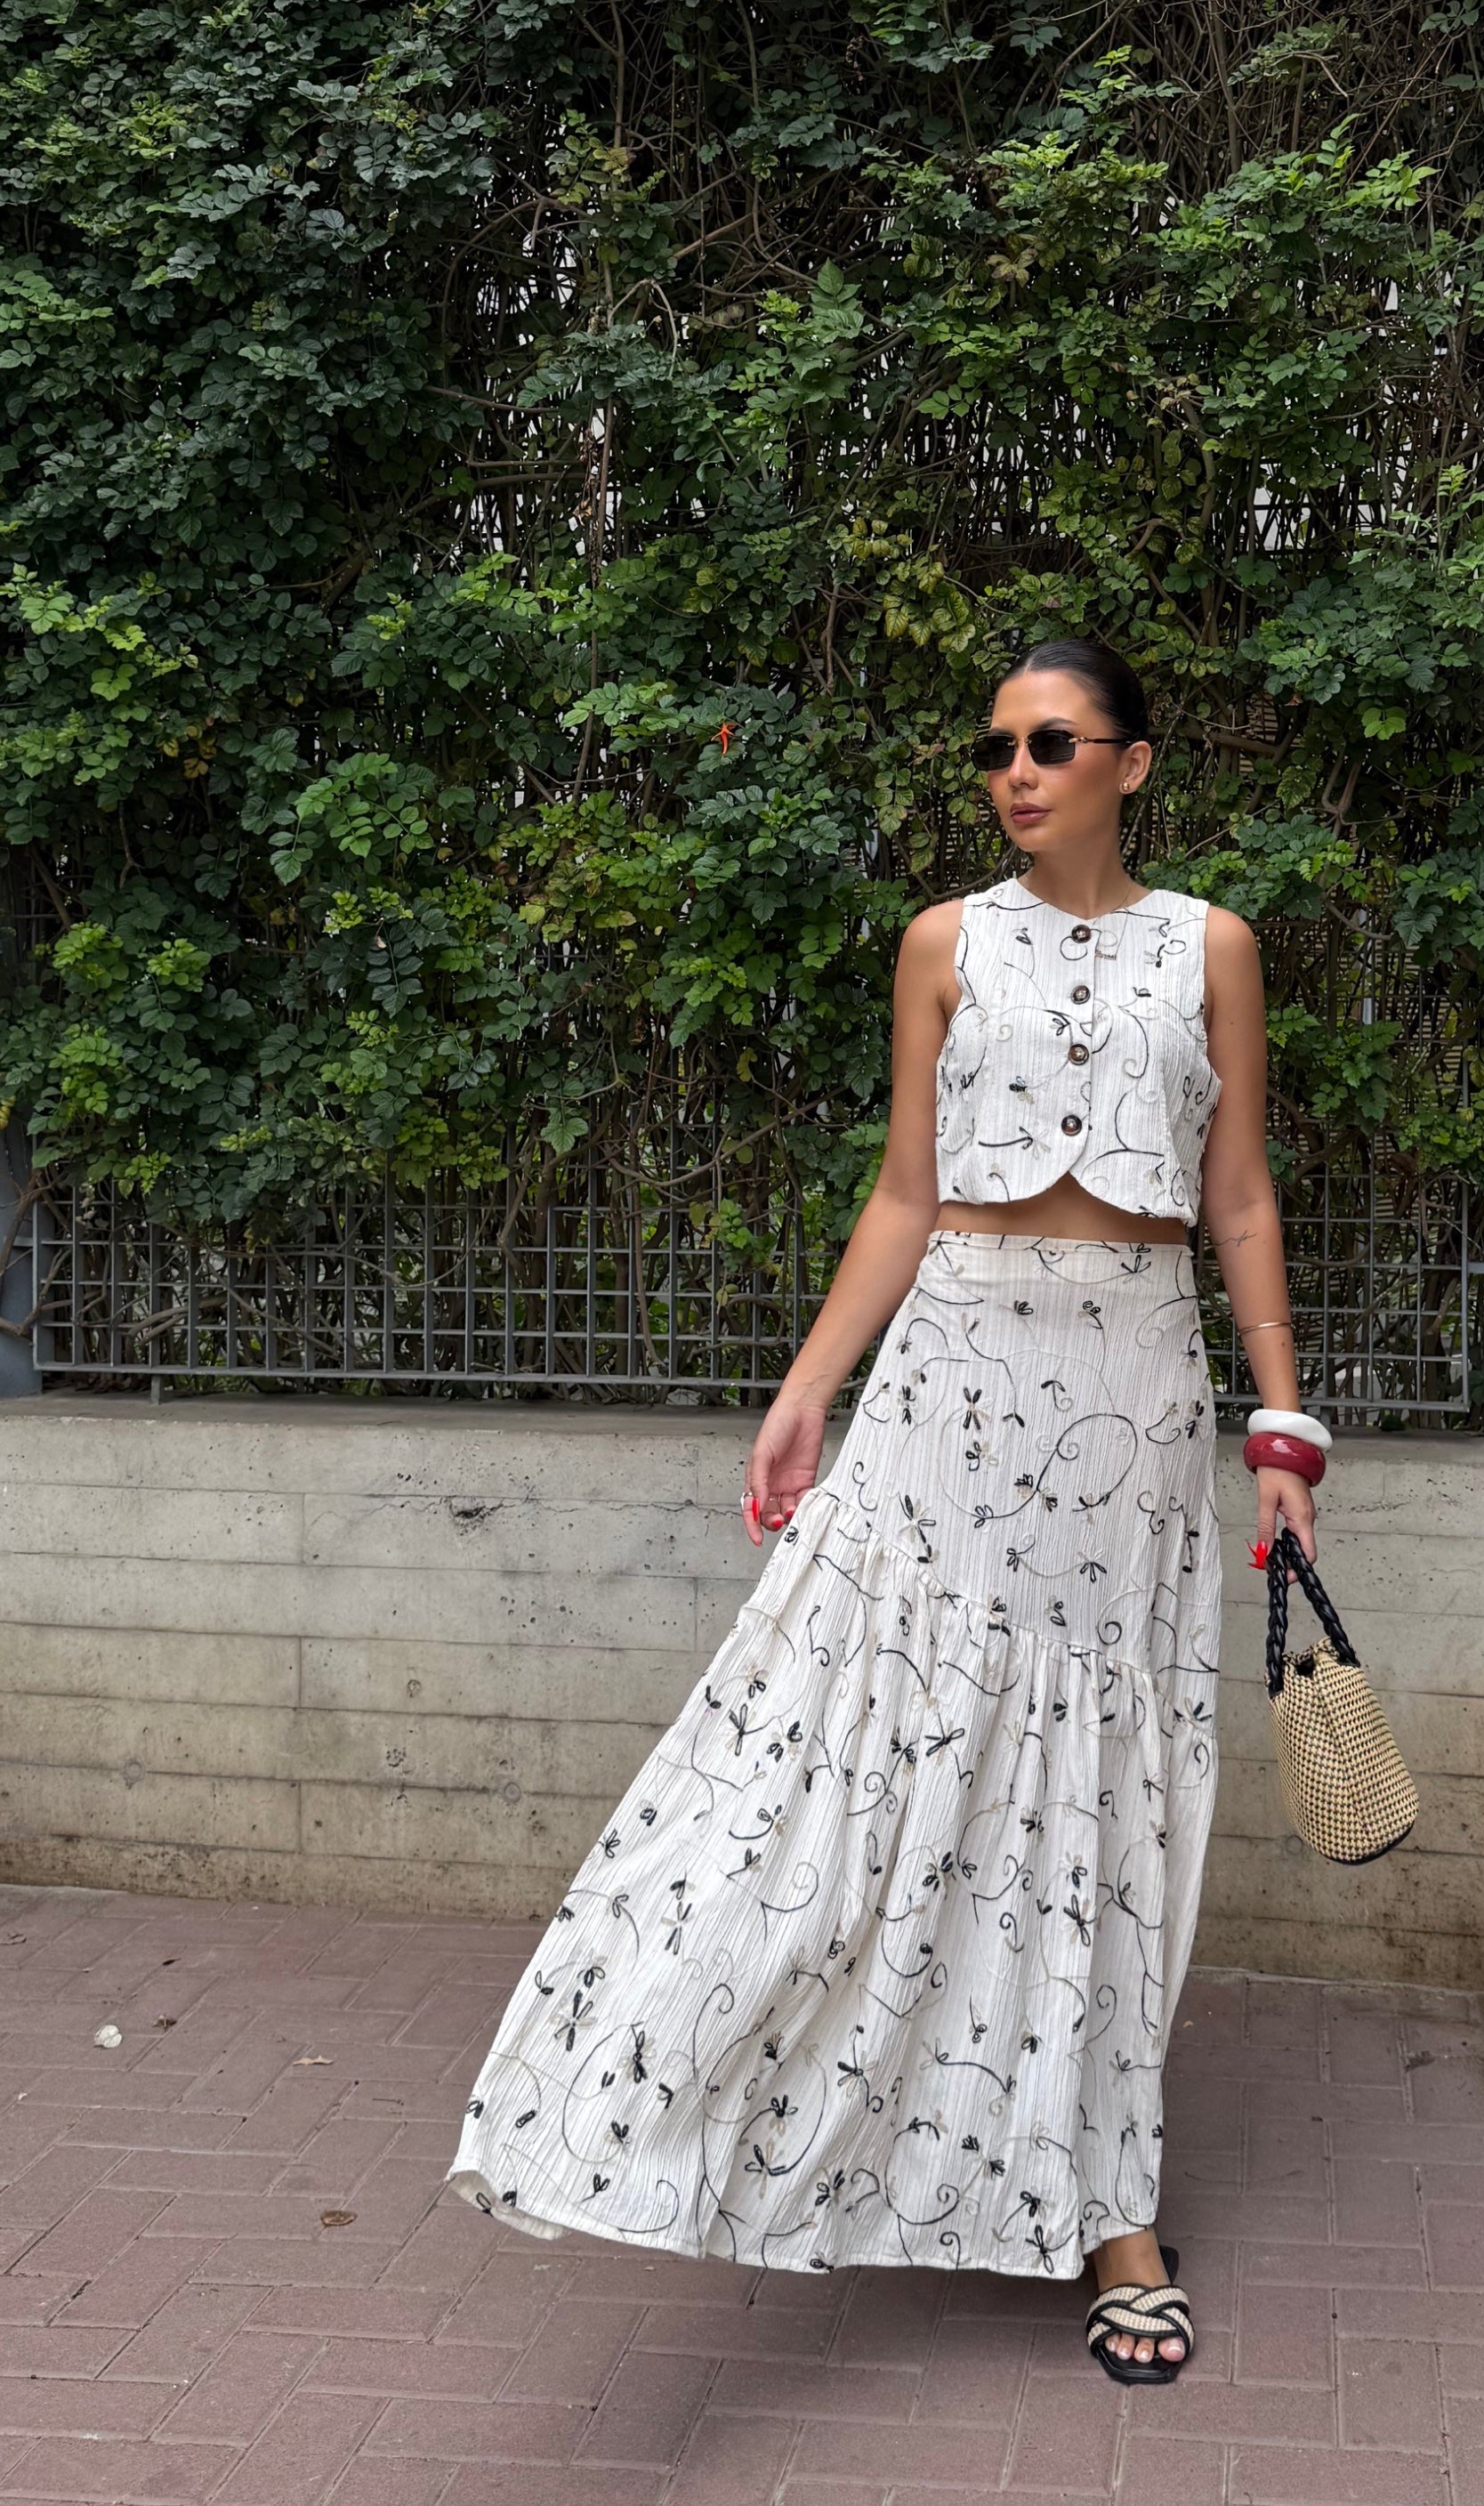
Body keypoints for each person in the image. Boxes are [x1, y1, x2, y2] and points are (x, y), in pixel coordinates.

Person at [446, 638, 1327, 2384]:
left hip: (1135, 1394)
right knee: (855, 1752)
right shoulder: (942, 941)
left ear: (1132, 762)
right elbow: (907, 1192)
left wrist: (1279, 1422)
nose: (1017, 771)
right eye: (997, 747)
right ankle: (669, 2095)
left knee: (1101, 1789)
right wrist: (807, 1386)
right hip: (952, 1386)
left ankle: (1110, 2207)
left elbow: (1235, 1196)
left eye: (1051, 741)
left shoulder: (1211, 945)